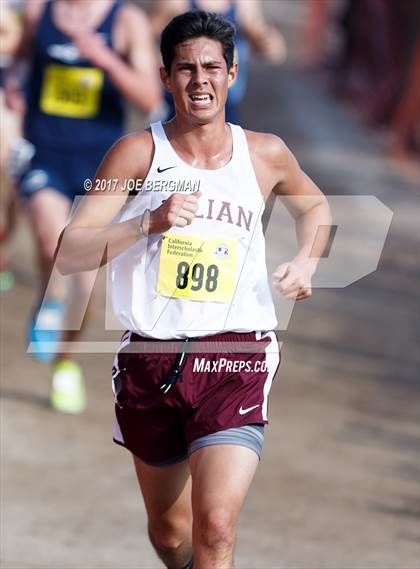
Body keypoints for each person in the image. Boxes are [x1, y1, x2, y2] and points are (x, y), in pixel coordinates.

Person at [57, 10, 331, 567]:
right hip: (150, 361)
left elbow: (317, 207)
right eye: (185, 69)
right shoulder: (133, 155)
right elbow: (71, 250)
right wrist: (147, 222)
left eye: (211, 67)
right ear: (165, 77)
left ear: (232, 74)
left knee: (218, 527)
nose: (199, 80)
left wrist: (307, 260)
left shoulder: (265, 153)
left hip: (236, 355)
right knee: (169, 532)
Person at [6, 0, 162, 413]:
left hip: (103, 166)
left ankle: (66, 362)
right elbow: (17, 58)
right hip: (45, 154)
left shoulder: (127, 21)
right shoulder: (42, 11)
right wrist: (14, 88)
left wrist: (103, 57)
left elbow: (150, 96)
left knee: (86, 280)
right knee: (50, 240)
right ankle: (48, 298)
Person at [151, 0, 286, 123]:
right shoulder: (176, 4)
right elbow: (145, 36)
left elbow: (275, 54)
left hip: (227, 108)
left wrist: (262, 38)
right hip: (180, 108)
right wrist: (165, 62)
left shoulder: (243, 5)